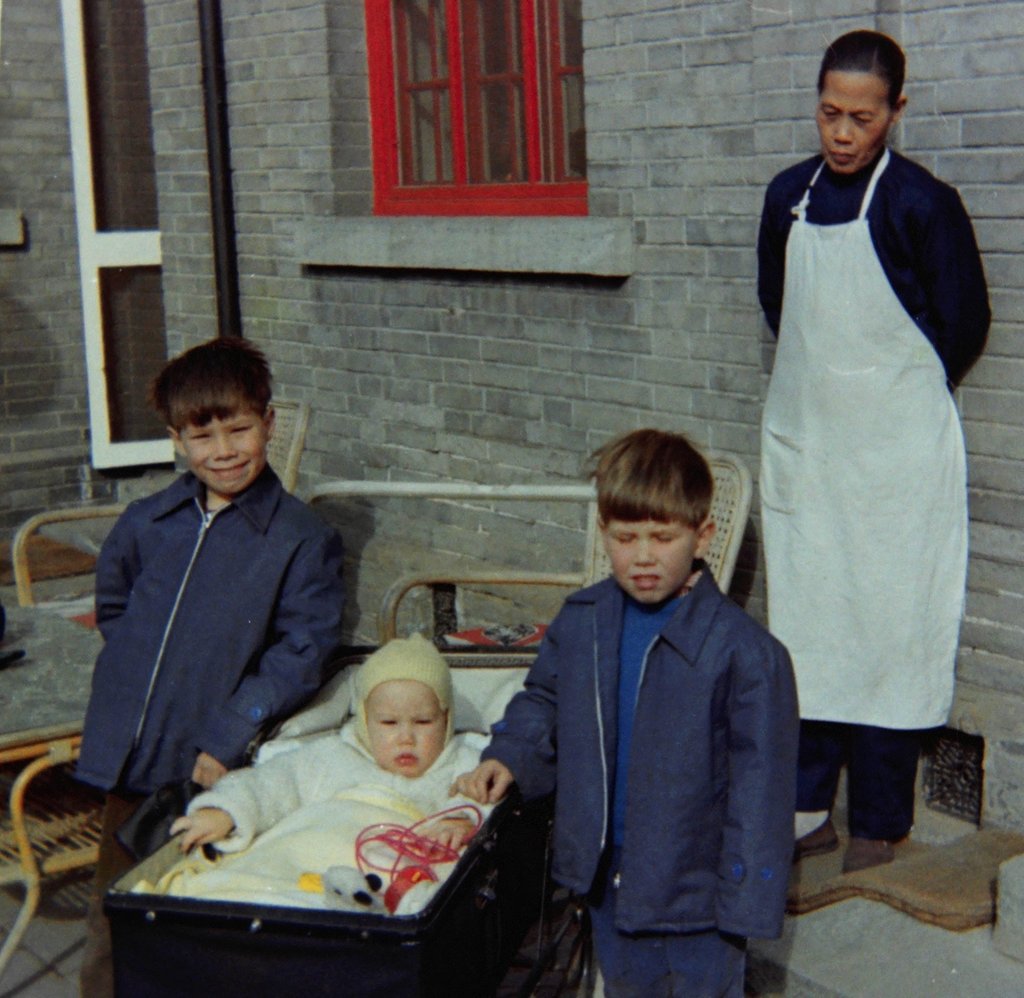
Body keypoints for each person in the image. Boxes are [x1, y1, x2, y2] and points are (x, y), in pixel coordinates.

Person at [757, 30, 990, 874]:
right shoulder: (787, 197)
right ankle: (807, 808)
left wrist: (887, 397)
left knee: (889, 626)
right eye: (830, 114)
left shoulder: (922, 204)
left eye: (862, 117)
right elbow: (779, 305)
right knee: (811, 624)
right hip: (812, 449)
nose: (843, 134)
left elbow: (961, 325)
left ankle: (879, 821)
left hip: (894, 460)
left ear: (896, 110)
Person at [454, 429, 799, 998]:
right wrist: (510, 754)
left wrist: (743, 908)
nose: (642, 556)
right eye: (625, 536)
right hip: (606, 881)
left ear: (702, 536)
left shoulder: (747, 655)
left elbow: (762, 794)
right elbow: (545, 698)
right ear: (603, 532)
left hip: (695, 904)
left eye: (663, 537)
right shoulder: (583, 621)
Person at [76, 336, 347, 996]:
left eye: (239, 429)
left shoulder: (300, 538)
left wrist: (228, 733)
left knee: (205, 921)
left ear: (268, 423)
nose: (223, 451)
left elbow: (300, 653)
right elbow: (116, 608)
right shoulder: (148, 522)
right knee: (116, 914)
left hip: (214, 768)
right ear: (177, 440)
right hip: (132, 761)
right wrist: (134, 693)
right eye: (202, 435)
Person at [158, 635, 486, 910]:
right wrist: (227, 811)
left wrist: (460, 820)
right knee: (247, 874)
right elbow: (273, 782)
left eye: (423, 722)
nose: (406, 737)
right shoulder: (334, 755)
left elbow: (486, 795)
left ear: (446, 719)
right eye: (388, 723)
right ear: (365, 721)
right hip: (307, 846)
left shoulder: (460, 762)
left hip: (382, 859)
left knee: (417, 889)